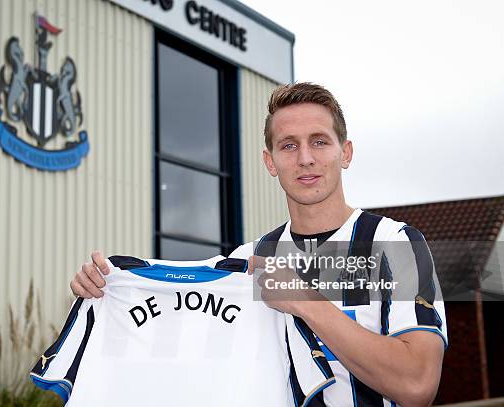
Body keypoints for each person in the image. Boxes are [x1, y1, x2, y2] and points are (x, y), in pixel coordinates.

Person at [69, 83, 447, 406]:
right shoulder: (244, 262)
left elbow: (417, 385)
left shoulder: (396, 245)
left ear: (344, 152)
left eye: (319, 141)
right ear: (270, 162)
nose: (305, 159)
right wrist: (106, 294)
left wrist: (305, 300)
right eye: (288, 145)